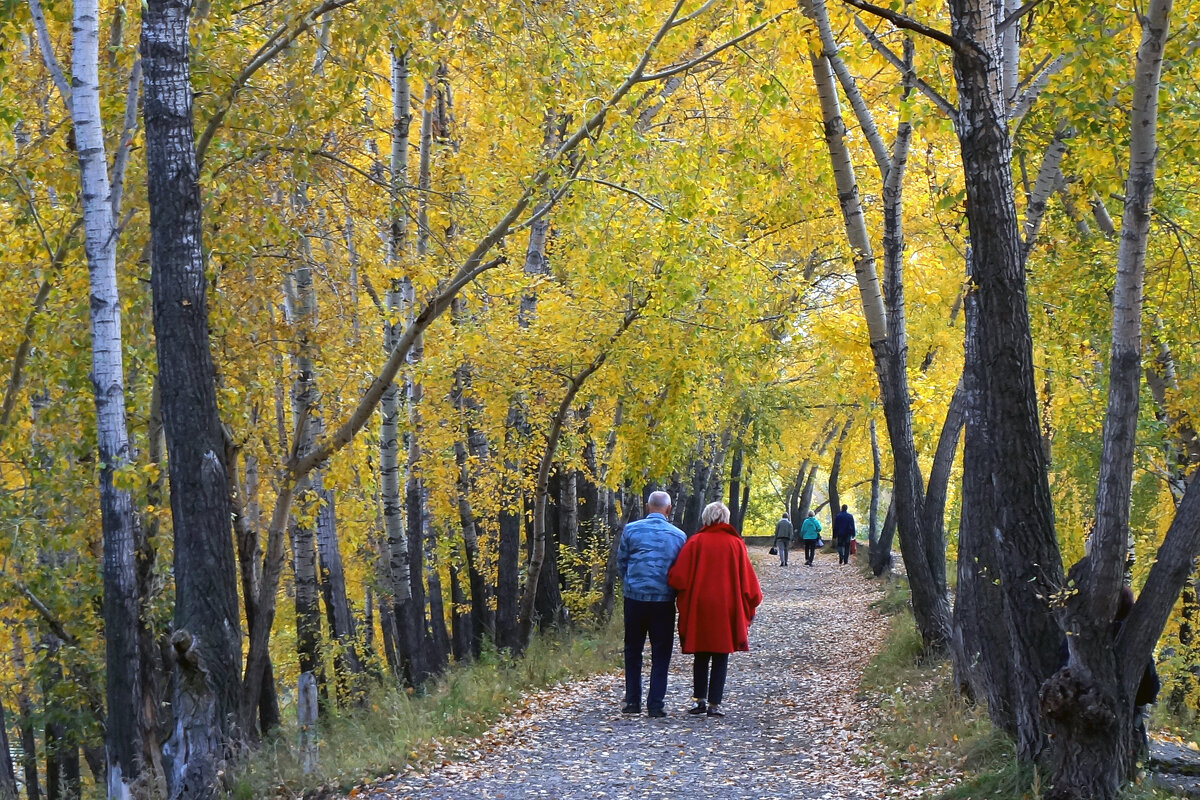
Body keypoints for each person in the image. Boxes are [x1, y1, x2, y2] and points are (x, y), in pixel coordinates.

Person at [667, 501, 762, 718]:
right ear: (726, 518)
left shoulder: (695, 542)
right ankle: (714, 705)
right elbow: (748, 581)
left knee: (701, 653)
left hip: (700, 606)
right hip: (727, 607)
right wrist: (753, 601)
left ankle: (699, 700)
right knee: (721, 654)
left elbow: (678, 578)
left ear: (706, 518)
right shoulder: (735, 544)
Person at [616, 490, 686, 718]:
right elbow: (680, 571)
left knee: (633, 650)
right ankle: (656, 704)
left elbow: (621, 562)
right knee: (661, 652)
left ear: (648, 507)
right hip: (663, 602)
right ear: (668, 509)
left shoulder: (631, 530)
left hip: (634, 599)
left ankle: (632, 702)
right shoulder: (678, 536)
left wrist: (631, 583)